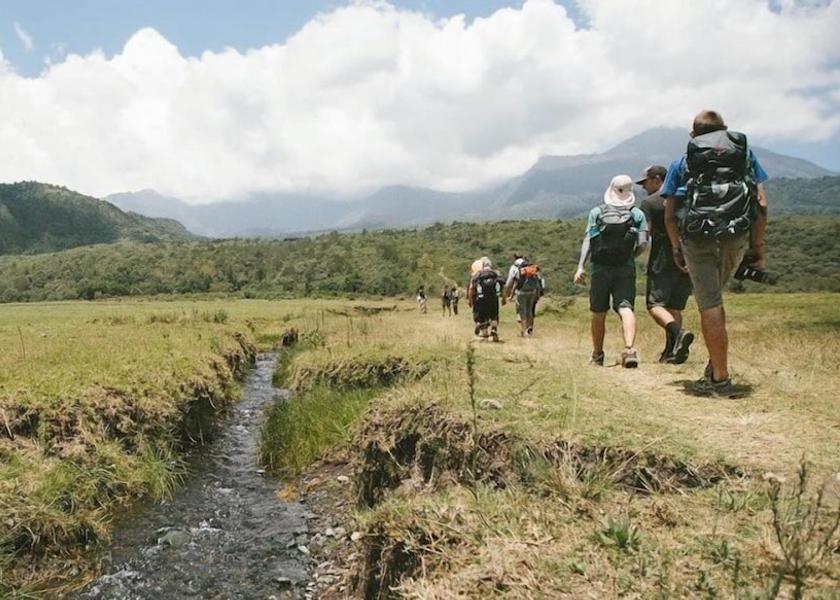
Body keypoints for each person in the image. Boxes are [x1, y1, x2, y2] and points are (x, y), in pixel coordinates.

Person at [662, 110, 769, 395]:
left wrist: (676, 248)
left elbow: (669, 215)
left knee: (709, 303)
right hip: (736, 235)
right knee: (716, 300)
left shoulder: (682, 162)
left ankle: (719, 377)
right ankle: (715, 366)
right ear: (725, 130)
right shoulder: (744, 156)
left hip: (697, 238)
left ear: (693, 135)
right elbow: (761, 204)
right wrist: (757, 247)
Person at [574, 174, 649, 367]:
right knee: (625, 307)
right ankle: (629, 350)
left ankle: (598, 354)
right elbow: (643, 243)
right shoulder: (637, 214)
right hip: (625, 267)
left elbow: (589, 240)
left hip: (600, 267)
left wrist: (581, 266)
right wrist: (631, 256)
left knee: (598, 311)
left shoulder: (597, 212)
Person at [637, 165, 695, 363]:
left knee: (655, 305)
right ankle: (672, 352)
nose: (643, 187)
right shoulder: (685, 198)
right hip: (688, 258)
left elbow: (645, 235)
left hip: (662, 259)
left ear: (657, 179)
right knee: (674, 306)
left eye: (645, 183)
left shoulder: (650, 203)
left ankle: (678, 334)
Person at [503, 256, 545, 337]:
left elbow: (515, 284)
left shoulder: (518, 269)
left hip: (521, 292)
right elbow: (539, 281)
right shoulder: (532, 269)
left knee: (523, 312)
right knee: (530, 310)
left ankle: (524, 331)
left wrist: (511, 295)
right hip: (532, 292)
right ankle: (530, 329)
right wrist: (538, 293)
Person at [467, 257, 502, 342]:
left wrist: (470, 300)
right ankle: (494, 329)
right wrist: (503, 297)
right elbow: (502, 284)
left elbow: (471, 288)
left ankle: (484, 333)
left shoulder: (478, 274)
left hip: (481, 299)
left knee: (481, 316)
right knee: (494, 315)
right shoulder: (495, 273)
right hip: (493, 298)